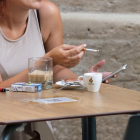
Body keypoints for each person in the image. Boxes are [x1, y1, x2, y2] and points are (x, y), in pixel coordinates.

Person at [0, 0, 117, 139]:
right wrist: (49, 61)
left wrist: (83, 80)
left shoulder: (46, 14)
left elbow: (55, 71)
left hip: (36, 124)